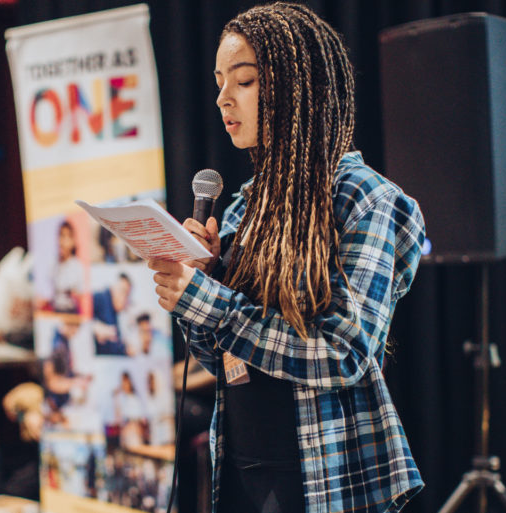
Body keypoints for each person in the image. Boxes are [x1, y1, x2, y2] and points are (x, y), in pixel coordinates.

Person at [149, 3, 425, 512]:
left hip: (322, 478)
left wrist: (210, 302)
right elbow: (220, 358)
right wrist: (201, 282)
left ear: (298, 87)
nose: (222, 98)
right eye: (218, 82)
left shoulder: (366, 199)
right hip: (238, 470)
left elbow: (343, 351)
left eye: (245, 80)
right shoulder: (245, 206)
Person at [92, 273, 132, 355]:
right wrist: (94, 327)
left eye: (127, 295)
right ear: (114, 288)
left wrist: (125, 349)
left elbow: (115, 340)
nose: (125, 301)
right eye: (124, 293)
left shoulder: (115, 313)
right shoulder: (99, 298)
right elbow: (81, 317)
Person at [50, 220, 85, 314]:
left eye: (67, 236)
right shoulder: (54, 264)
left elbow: (80, 294)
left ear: (73, 241)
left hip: (70, 313)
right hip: (56, 311)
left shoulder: (77, 266)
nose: (63, 241)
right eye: (61, 235)